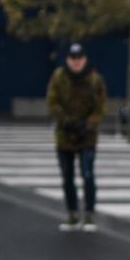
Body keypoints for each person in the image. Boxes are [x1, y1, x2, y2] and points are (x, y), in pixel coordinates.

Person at [47, 43, 106, 231]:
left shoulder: (95, 80)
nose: (76, 62)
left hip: (87, 136)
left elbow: (100, 108)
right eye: (73, 59)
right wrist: (66, 121)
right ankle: (72, 214)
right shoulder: (59, 77)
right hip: (64, 135)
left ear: (84, 59)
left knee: (87, 174)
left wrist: (87, 125)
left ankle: (89, 214)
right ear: (67, 60)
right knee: (67, 176)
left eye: (79, 58)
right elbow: (52, 102)